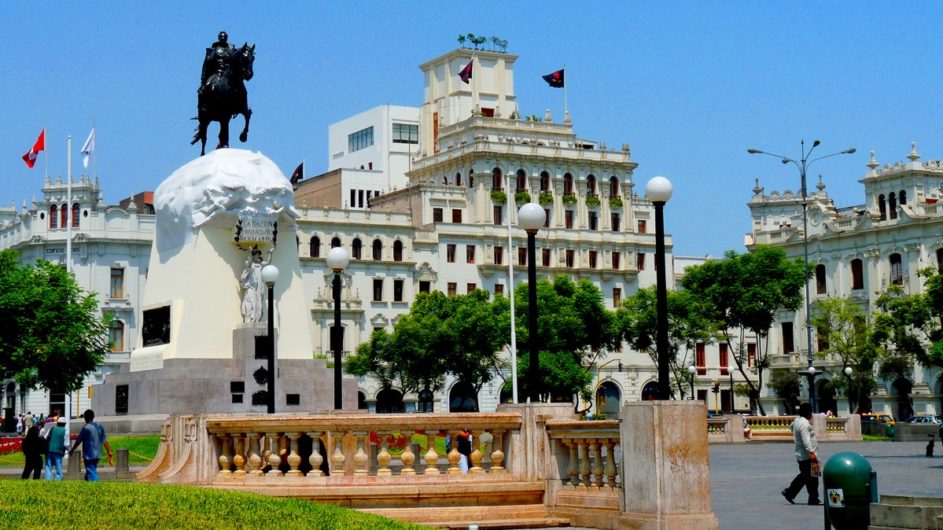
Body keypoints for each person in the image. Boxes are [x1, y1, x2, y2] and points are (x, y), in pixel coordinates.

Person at [782, 403, 821, 505]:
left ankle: (813, 498)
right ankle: (789, 492)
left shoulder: (797, 420)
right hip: (808, 455)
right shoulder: (804, 424)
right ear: (808, 412)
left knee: (813, 477)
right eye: (811, 411)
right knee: (806, 476)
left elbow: (791, 427)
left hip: (803, 454)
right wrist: (811, 452)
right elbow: (806, 440)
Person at [68, 409, 113, 482]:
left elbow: (79, 440)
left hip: (89, 454)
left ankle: (95, 486)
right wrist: (109, 451)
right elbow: (104, 440)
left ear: (85, 417)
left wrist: (72, 450)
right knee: (91, 469)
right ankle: (86, 483)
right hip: (98, 454)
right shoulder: (99, 426)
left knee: (91, 471)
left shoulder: (86, 428)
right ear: (93, 417)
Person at [200, 30, 237, 96]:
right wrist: (203, 79)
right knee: (206, 86)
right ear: (219, 38)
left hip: (229, 74)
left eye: (224, 37)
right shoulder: (213, 50)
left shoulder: (231, 50)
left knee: (241, 89)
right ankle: (203, 105)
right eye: (221, 37)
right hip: (216, 73)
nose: (223, 39)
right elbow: (206, 64)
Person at [45, 416, 67, 480]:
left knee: (48, 466)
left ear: (57, 423)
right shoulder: (65, 431)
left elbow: (45, 437)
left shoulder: (52, 429)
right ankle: (58, 479)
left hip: (49, 450)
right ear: (64, 424)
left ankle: (48, 479)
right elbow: (66, 444)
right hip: (58, 451)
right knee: (58, 466)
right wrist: (70, 451)